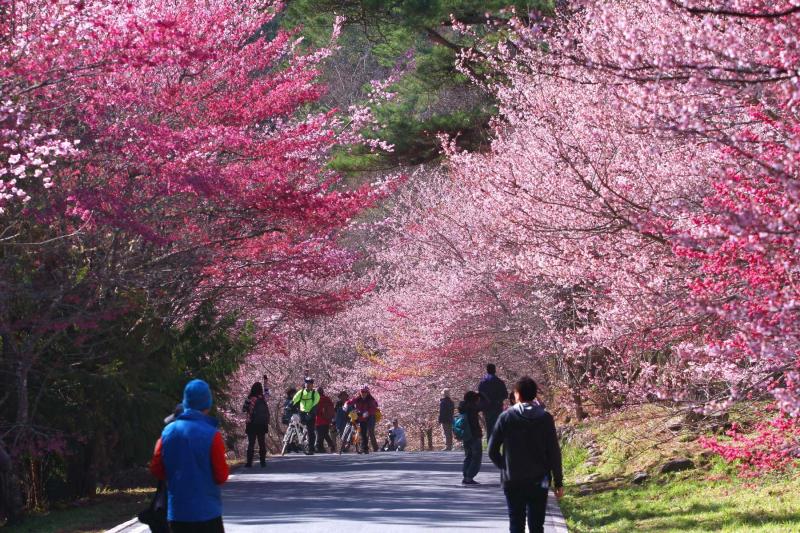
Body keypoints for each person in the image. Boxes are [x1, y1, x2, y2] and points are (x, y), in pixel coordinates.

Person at [149, 379, 229, 533]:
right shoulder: (213, 435)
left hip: (178, 513)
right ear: (207, 404)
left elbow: (156, 469)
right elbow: (221, 476)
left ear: (186, 402)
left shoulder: (167, 432)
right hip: (208, 513)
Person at [488, 377, 564, 533]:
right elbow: (554, 451)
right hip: (540, 479)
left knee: (516, 522)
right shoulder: (545, 418)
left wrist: (505, 466)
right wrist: (558, 481)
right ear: (534, 395)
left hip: (513, 479)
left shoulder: (506, 417)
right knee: (537, 524)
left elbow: (492, 450)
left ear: (517, 395)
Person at [478, 363, 508, 441]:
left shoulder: (483, 382)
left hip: (487, 408)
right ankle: (496, 445)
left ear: (487, 370)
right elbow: (505, 395)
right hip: (497, 407)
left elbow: (480, 394)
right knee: (497, 426)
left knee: (489, 427)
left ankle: (490, 445)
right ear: (495, 370)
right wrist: (498, 400)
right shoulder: (499, 382)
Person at [242, 382, 269, 468]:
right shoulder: (263, 398)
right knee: (262, 443)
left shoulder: (249, 399)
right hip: (262, 424)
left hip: (251, 423)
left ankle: (249, 462)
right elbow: (267, 393)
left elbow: (244, 409)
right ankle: (263, 462)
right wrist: (266, 382)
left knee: (251, 443)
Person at [459, 390, 483, 485]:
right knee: (476, 457)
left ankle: (466, 476)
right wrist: (482, 395)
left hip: (466, 435)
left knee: (468, 455)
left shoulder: (463, 407)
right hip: (474, 434)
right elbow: (485, 404)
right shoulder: (472, 407)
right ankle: (469, 476)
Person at [345, 386, 378, 454]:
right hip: (357, 415)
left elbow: (373, 408)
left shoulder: (370, 400)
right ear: (360, 392)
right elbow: (350, 401)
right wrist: (345, 405)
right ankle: (348, 442)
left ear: (367, 392)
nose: (363, 393)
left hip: (365, 417)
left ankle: (365, 448)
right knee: (351, 426)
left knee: (363, 433)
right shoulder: (357, 398)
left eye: (365, 392)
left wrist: (368, 412)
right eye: (362, 391)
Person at [292, 377, 320, 455]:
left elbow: (315, 404)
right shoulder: (300, 392)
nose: (308, 385)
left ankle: (311, 448)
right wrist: (289, 406)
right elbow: (294, 400)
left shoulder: (315, 394)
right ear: (305, 384)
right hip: (302, 412)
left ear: (312, 385)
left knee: (311, 431)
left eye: (310, 383)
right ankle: (297, 444)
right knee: (298, 426)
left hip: (311, 412)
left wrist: (311, 413)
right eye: (306, 383)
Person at [314, 387, 336, 453]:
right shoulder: (327, 399)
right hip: (326, 420)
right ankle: (331, 446)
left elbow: (315, 410)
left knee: (320, 434)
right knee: (325, 434)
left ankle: (319, 447)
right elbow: (332, 409)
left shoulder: (317, 400)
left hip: (318, 420)